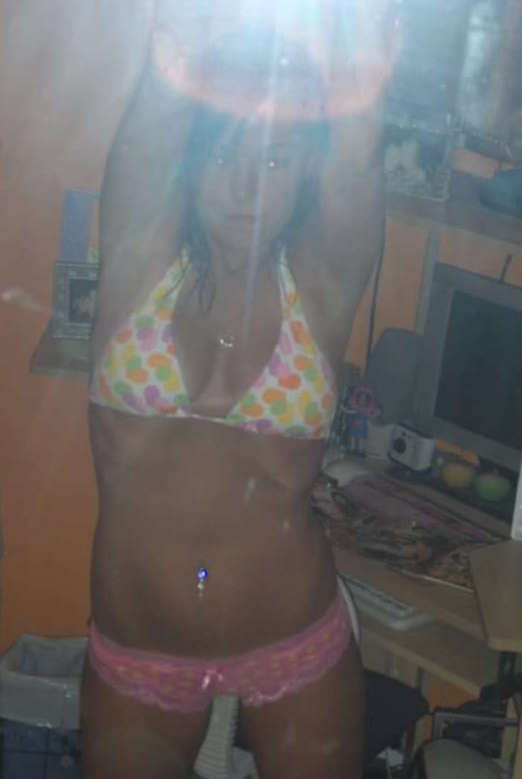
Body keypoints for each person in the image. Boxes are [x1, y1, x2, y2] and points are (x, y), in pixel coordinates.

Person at [81, 1, 396, 776]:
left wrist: (351, 42)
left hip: (295, 644)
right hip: (139, 657)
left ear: (304, 176)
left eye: (278, 162)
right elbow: (157, 102)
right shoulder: (136, 268)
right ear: (190, 164)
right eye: (225, 153)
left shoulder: (319, 291)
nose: (247, 187)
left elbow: (358, 154)